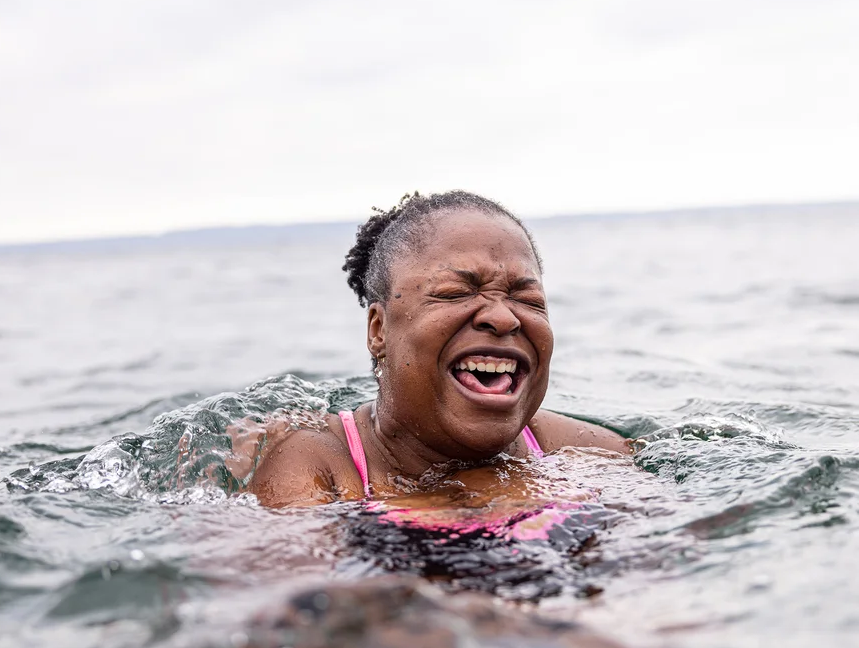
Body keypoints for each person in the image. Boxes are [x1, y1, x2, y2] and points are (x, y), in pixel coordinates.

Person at [248, 190, 630, 511]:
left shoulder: (589, 453)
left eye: (527, 299)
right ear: (379, 330)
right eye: (455, 293)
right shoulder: (318, 466)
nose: (503, 317)